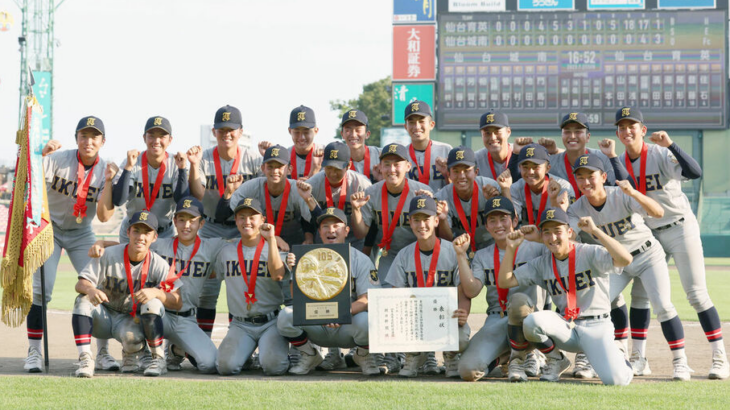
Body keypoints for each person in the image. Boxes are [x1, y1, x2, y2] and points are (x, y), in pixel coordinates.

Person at [606, 106, 728, 380]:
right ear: (617, 132)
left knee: (696, 294)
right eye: (622, 127)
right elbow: (624, 186)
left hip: (678, 227)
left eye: (632, 125)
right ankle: (639, 358)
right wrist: (613, 157)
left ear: (643, 130)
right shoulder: (619, 161)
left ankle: (720, 357)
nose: (627, 130)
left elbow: (694, 172)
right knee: (640, 295)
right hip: (648, 233)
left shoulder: (659, 152)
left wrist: (671, 144)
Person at [566, 153, 692, 381]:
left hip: (646, 255)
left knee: (663, 306)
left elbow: (658, 212)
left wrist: (633, 192)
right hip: (616, 263)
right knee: (596, 306)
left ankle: (680, 361)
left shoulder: (620, 195)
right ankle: (605, 357)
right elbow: (569, 237)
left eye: (591, 176)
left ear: (603, 176)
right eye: (580, 177)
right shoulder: (576, 208)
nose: (586, 182)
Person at [497, 207, 634, 386]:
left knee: (617, 381)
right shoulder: (542, 263)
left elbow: (625, 259)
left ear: (569, 232)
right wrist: (510, 248)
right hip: (567, 326)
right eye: (547, 233)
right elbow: (505, 281)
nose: (552, 238)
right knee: (532, 322)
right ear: (541, 236)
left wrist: (595, 231)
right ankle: (556, 359)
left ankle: (617, 352)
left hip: (596, 326)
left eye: (557, 231)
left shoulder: (588, 252)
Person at [25, 116, 118, 373]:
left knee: (97, 287)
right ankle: (33, 351)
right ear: (76, 137)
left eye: (94, 136)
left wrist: (110, 181)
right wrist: (40, 157)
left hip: (81, 231)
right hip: (50, 228)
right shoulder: (57, 159)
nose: (88, 141)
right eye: (83, 135)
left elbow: (103, 217)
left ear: (102, 141)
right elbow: (29, 187)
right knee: (42, 289)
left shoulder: (105, 171)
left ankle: (103, 352)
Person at [71, 210, 182, 378]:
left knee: (152, 304)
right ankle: (85, 359)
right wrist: (91, 289)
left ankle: (156, 358)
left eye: (147, 232)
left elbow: (177, 300)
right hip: (104, 316)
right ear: (128, 232)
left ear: (154, 237)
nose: (141, 237)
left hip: (129, 322)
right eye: (136, 230)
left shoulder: (158, 264)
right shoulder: (109, 254)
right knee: (83, 300)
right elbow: (81, 283)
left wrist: (156, 292)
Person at [185, 105, 263, 337]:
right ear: (213, 131)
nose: (226, 134)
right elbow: (198, 194)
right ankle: (202, 344)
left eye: (231, 130)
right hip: (210, 229)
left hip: (244, 230)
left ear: (240, 132)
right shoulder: (204, 158)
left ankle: (238, 339)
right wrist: (192, 164)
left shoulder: (253, 159)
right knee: (207, 290)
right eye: (221, 130)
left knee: (240, 288)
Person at [277, 207, 381, 375]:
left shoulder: (360, 259)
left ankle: (362, 355)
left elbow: (367, 299)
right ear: (319, 231)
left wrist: (341, 313)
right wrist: (294, 272)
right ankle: (310, 354)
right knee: (285, 316)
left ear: (346, 231)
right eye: (325, 226)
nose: (331, 230)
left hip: (348, 325)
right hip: (318, 323)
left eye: (336, 225)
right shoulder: (308, 258)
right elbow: (297, 297)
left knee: (369, 321)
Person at [458, 196, 548, 382]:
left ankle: (525, 353)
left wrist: (540, 237)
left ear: (515, 220)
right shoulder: (483, 255)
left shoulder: (535, 248)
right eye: (492, 220)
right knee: (467, 371)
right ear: (487, 226)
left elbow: (566, 249)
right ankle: (506, 356)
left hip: (528, 319)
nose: (498, 224)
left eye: (503, 218)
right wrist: (460, 255)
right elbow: (472, 291)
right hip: (496, 317)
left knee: (518, 301)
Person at [384, 195, 471, 378]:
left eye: (426, 219)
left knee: (462, 336)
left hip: (445, 317)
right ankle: (414, 355)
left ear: (436, 220)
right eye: (416, 220)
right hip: (415, 320)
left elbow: (463, 289)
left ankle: (451, 355)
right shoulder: (404, 255)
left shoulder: (452, 251)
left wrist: (463, 312)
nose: (421, 225)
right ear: (410, 222)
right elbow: (396, 297)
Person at [214, 197, 290, 376]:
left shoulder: (276, 248)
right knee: (225, 367)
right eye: (241, 217)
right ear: (236, 220)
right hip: (240, 324)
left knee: (274, 368)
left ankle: (283, 353)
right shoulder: (226, 251)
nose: (246, 221)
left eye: (252, 217)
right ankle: (246, 354)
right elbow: (216, 276)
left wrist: (272, 240)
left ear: (262, 220)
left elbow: (278, 275)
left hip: (270, 321)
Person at [349, 143, 432, 280]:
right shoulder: (371, 192)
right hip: (390, 254)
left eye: (397, 164)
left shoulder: (422, 192)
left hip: (418, 252)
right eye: (387, 164)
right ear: (380, 167)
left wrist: (428, 204)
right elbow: (360, 233)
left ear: (408, 166)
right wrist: (356, 210)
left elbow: (435, 234)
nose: (392, 169)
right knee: (385, 296)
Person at [220, 145, 314, 252]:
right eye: (270, 166)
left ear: (289, 169)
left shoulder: (297, 189)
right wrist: (229, 192)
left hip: (294, 244)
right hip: (261, 243)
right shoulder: (252, 187)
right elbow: (223, 214)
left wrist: (309, 237)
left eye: (279, 167)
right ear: (263, 168)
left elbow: (311, 219)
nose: (275, 171)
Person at [111, 116, 189, 242]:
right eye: (151, 135)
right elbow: (118, 200)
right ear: (144, 138)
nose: (156, 141)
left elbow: (183, 202)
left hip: (163, 232)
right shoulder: (132, 161)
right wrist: (128, 167)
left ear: (170, 140)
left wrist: (182, 169)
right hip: (133, 229)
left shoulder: (176, 164)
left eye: (162, 136)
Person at [297, 141, 372, 250]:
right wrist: (309, 199)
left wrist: (356, 209)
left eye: (337, 168)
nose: (332, 173)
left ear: (348, 165)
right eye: (329, 167)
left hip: (355, 243)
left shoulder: (362, 185)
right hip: (324, 243)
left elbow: (364, 230)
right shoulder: (312, 185)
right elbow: (310, 223)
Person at [434, 146, 503, 252]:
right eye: (456, 171)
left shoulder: (490, 187)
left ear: (476, 172)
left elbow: (506, 224)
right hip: (460, 249)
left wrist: (493, 202)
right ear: (449, 174)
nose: (461, 176)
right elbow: (446, 240)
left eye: (466, 170)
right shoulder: (442, 197)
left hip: (492, 248)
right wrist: (443, 220)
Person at [540, 112, 616, 195]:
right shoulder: (552, 162)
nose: (572, 136)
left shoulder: (603, 158)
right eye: (567, 132)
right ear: (561, 136)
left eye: (578, 131)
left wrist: (613, 156)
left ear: (588, 137)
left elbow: (617, 186)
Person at [508, 144, 573, 225]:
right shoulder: (515, 188)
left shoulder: (563, 187)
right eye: (525, 167)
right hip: (527, 235)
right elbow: (512, 223)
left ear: (547, 168)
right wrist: (505, 189)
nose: (530, 172)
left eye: (535, 167)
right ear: (519, 168)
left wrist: (554, 200)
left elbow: (567, 225)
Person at [403, 100, 452, 191]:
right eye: (412, 122)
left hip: (440, 204)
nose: (417, 127)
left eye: (421, 121)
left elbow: (455, 189)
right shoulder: (402, 155)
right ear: (406, 127)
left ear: (431, 125)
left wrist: (447, 175)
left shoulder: (446, 150)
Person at [474, 111, 520, 181]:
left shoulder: (520, 153)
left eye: (497, 132)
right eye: (487, 133)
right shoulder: (475, 160)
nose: (492, 138)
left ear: (508, 132)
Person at [340, 109, 381, 183]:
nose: (353, 135)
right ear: (342, 134)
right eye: (348, 130)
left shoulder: (380, 155)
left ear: (367, 134)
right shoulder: (337, 159)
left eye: (358, 130)